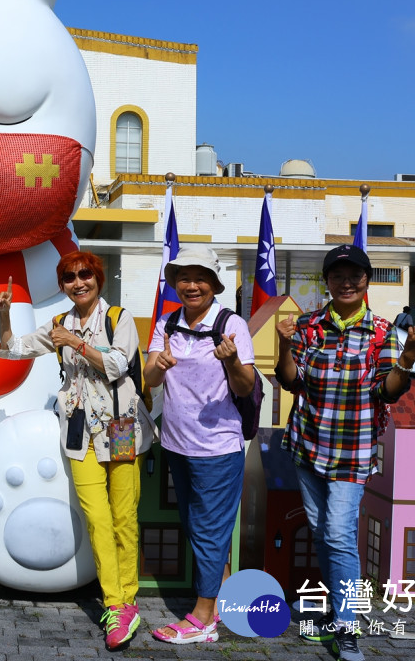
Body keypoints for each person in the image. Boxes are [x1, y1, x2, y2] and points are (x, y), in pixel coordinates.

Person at [275, 244, 415, 661]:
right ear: (327, 281)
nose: (346, 282)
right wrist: (283, 345)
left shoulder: (381, 332)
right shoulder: (307, 326)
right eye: (338, 275)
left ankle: (348, 625)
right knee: (323, 531)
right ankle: (334, 612)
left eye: (355, 275)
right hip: (308, 446)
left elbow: (386, 390)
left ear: (366, 281)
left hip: (354, 451)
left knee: (339, 534)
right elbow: (291, 382)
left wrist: (407, 359)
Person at [0, 250, 152, 651]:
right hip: (79, 432)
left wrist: (76, 345)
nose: (78, 281)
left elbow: (117, 365)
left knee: (123, 517)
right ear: (63, 284)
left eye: (85, 274)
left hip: (119, 428)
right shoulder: (59, 324)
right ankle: (116, 604)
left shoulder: (119, 319)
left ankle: (127, 600)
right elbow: (13, 348)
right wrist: (4, 314)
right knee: (97, 519)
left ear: (97, 278)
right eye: (69, 276)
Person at [143, 247, 256, 645]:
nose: (191, 285)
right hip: (176, 443)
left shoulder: (232, 324)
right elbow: (150, 377)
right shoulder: (167, 322)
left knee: (208, 529)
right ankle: (222, 596)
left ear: (214, 284)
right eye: (184, 278)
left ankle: (203, 617)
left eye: (200, 277)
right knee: (198, 525)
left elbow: (245, 386)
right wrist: (159, 364)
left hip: (217, 447)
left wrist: (230, 361)